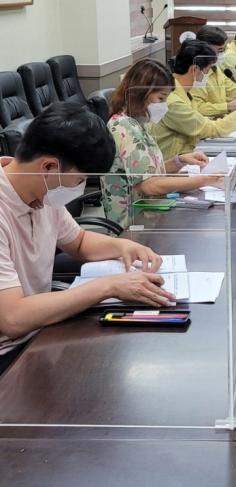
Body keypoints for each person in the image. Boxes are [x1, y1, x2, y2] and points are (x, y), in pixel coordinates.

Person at [0, 102, 174, 365]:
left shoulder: (40, 191)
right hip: (10, 352)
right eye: (80, 181)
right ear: (48, 167)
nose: (79, 189)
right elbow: (13, 318)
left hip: (39, 329)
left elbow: (79, 242)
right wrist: (109, 286)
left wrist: (123, 247)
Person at [102, 59, 230, 227]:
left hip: (152, 212)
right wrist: (204, 180)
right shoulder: (124, 128)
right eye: (161, 98)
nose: (164, 105)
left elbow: (150, 172)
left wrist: (180, 160)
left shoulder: (137, 123)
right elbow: (149, 185)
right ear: (141, 92)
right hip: (133, 224)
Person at [150, 41, 236, 163]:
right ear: (195, 69)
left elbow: (200, 121)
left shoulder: (185, 92)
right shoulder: (173, 101)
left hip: (188, 155)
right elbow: (212, 129)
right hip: (174, 164)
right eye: (207, 70)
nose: (208, 75)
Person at [191, 25, 236, 119]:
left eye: (224, 50)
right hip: (206, 124)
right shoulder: (196, 73)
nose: (223, 54)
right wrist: (227, 106)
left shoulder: (215, 68)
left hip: (220, 121)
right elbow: (197, 107)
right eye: (220, 50)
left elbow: (232, 89)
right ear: (205, 49)